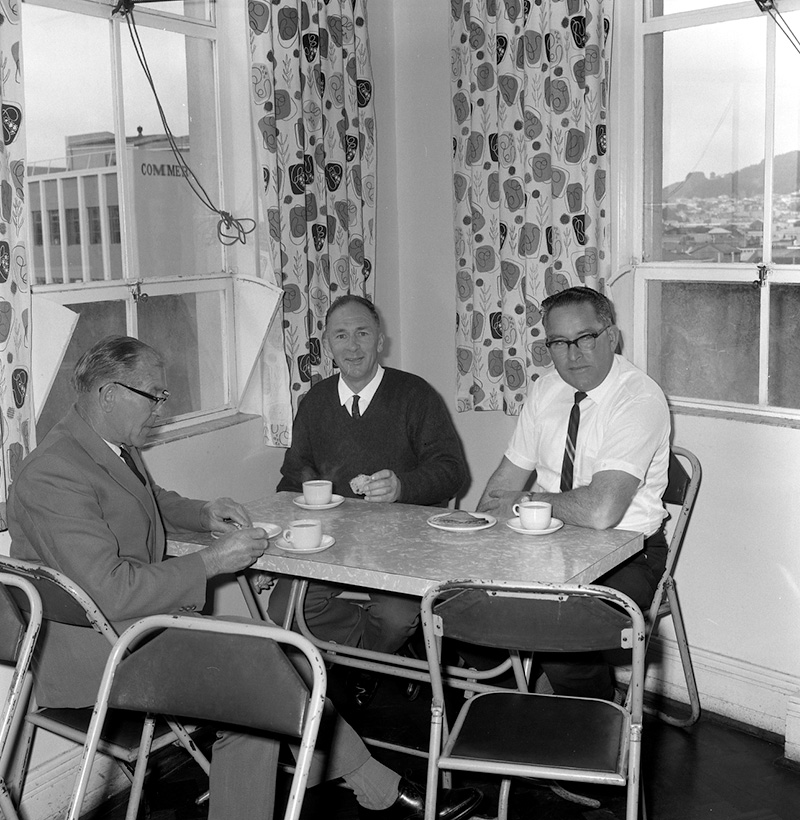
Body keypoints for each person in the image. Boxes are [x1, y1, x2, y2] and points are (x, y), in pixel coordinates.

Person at [7, 335, 482, 820]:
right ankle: (377, 788)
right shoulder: (54, 473)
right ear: (109, 394)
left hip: (131, 633)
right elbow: (109, 591)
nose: (160, 409)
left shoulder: (101, 445)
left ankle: (373, 787)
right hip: (98, 658)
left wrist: (203, 513)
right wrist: (214, 561)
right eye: (154, 395)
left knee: (272, 667)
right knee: (267, 675)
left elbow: (144, 500)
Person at [270, 294, 467, 708]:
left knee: (395, 618)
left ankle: (369, 661)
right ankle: (377, 658)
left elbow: (452, 472)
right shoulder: (316, 402)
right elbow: (291, 478)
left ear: (380, 339)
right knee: (284, 607)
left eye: (363, 333)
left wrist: (403, 488)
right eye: (341, 335)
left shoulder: (415, 395)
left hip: (404, 541)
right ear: (327, 344)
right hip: (333, 541)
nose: (353, 346)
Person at [477, 287, 671, 700]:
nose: (573, 353)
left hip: (629, 552)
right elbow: (505, 479)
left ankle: (595, 711)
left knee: (557, 628)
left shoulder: (638, 398)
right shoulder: (547, 388)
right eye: (559, 343)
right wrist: (478, 537)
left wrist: (524, 503)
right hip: (545, 542)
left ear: (612, 337)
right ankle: (520, 698)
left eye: (585, 338)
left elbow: (602, 510)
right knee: (463, 602)